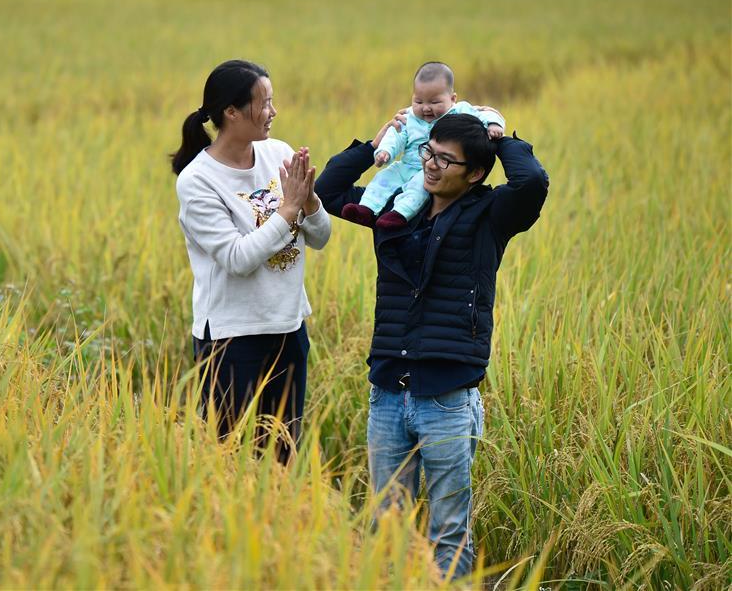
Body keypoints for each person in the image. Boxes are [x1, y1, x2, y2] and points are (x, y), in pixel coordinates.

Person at [315, 112, 548, 578]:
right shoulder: (399, 207)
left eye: (447, 159)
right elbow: (328, 193)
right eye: (429, 152)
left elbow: (533, 182)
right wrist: (376, 145)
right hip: (387, 392)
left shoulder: (489, 214)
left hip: (446, 398)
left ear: (476, 173)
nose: (432, 165)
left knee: (449, 529)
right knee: (389, 525)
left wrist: (497, 139)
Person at [171, 59, 331, 463]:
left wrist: (309, 203)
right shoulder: (197, 181)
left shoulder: (276, 154)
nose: (273, 112)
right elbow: (238, 258)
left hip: (288, 328)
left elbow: (321, 237)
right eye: (265, 103)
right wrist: (288, 208)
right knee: (228, 459)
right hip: (231, 338)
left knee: (282, 455)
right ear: (231, 112)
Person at [341, 62, 505, 230]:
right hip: (406, 165)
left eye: (435, 102)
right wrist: (384, 151)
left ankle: (400, 213)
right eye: (418, 101)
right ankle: (366, 208)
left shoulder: (460, 111)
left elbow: (486, 113)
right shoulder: (409, 116)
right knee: (384, 178)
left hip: (426, 169)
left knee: (418, 188)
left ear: (452, 99)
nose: (426, 108)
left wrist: (494, 125)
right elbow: (396, 135)